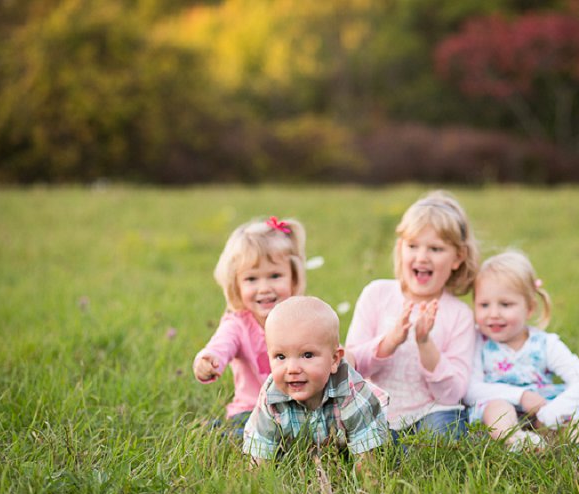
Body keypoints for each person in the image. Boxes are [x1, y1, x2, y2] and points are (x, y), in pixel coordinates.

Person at [345, 190, 479, 438]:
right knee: (363, 434)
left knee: (443, 434)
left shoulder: (460, 315)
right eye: (413, 246)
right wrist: (389, 342)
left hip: (433, 410)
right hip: (379, 408)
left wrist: (425, 344)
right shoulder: (377, 294)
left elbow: (452, 393)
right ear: (401, 248)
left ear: (458, 257)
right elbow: (351, 369)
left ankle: (414, 451)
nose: (422, 257)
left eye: (436, 249)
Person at [464, 250, 579, 450]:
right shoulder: (477, 341)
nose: (494, 313)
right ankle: (517, 441)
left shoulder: (545, 343)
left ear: (530, 308)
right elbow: (470, 389)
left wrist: (551, 413)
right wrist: (521, 396)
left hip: (543, 407)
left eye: (505, 304)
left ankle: (571, 441)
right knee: (497, 410)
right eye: (484, 305)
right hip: (501, 403)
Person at [192, 216, 306, 437]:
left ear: (293, 278)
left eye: (275, 276)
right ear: (236, 284)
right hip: (250, 410)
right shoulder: (238, 324)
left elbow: (323, 349)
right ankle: (221, 433)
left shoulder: (303, 317)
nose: (264, 288)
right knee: (251, 435)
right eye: (252, 279)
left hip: (296, 409)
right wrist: (208, 359)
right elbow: (221, 345)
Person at [243, 296, 390, 466]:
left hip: (354, 436)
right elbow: (260, 452)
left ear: (334, 359)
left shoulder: (351, 390)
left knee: (395, 444)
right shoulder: (271, 396)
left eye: (307, 355)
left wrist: (364, 473)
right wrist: (260, 474)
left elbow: (367, 458)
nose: (292, 368)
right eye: (281, 356)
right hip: (300, 448)